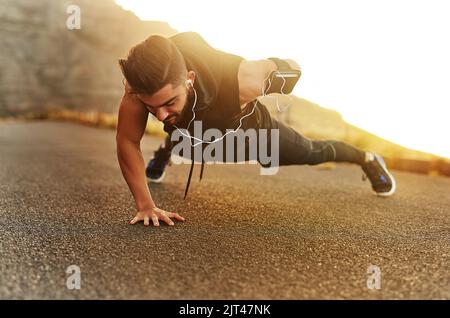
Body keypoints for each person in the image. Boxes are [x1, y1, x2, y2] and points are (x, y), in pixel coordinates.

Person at [116, 32, 396, 227]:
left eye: (168, 102)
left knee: (312, 151)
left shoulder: (244, 80)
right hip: (198, 134)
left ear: (189, 80)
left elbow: (294, 66)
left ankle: (367, 158)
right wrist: (145, 205)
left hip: (253, 135)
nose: (160, 115)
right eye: (152, 107)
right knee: (180, 130)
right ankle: (168, 150)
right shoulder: (138, 89)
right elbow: (128, 140)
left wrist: (282, 71)